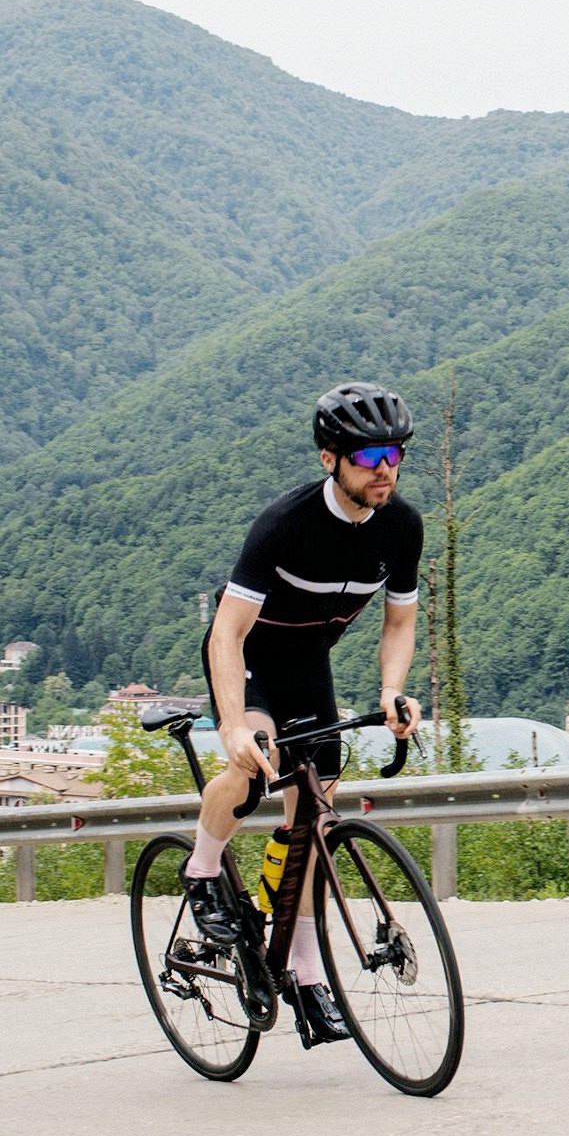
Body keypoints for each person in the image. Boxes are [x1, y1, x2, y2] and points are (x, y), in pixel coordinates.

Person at [182, 380, 424, 1043]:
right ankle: (202, 870)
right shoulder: (284, 525)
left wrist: (389, 691)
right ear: (331, 459)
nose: (385, 470)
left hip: (310, 664)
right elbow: (226, 634)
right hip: (253, 661)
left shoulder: (402, 526)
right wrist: (232, 724)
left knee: (312, 826)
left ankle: (305, 975)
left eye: (395, 455)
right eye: (370, 456)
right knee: (258, 761)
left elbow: (399, 624)